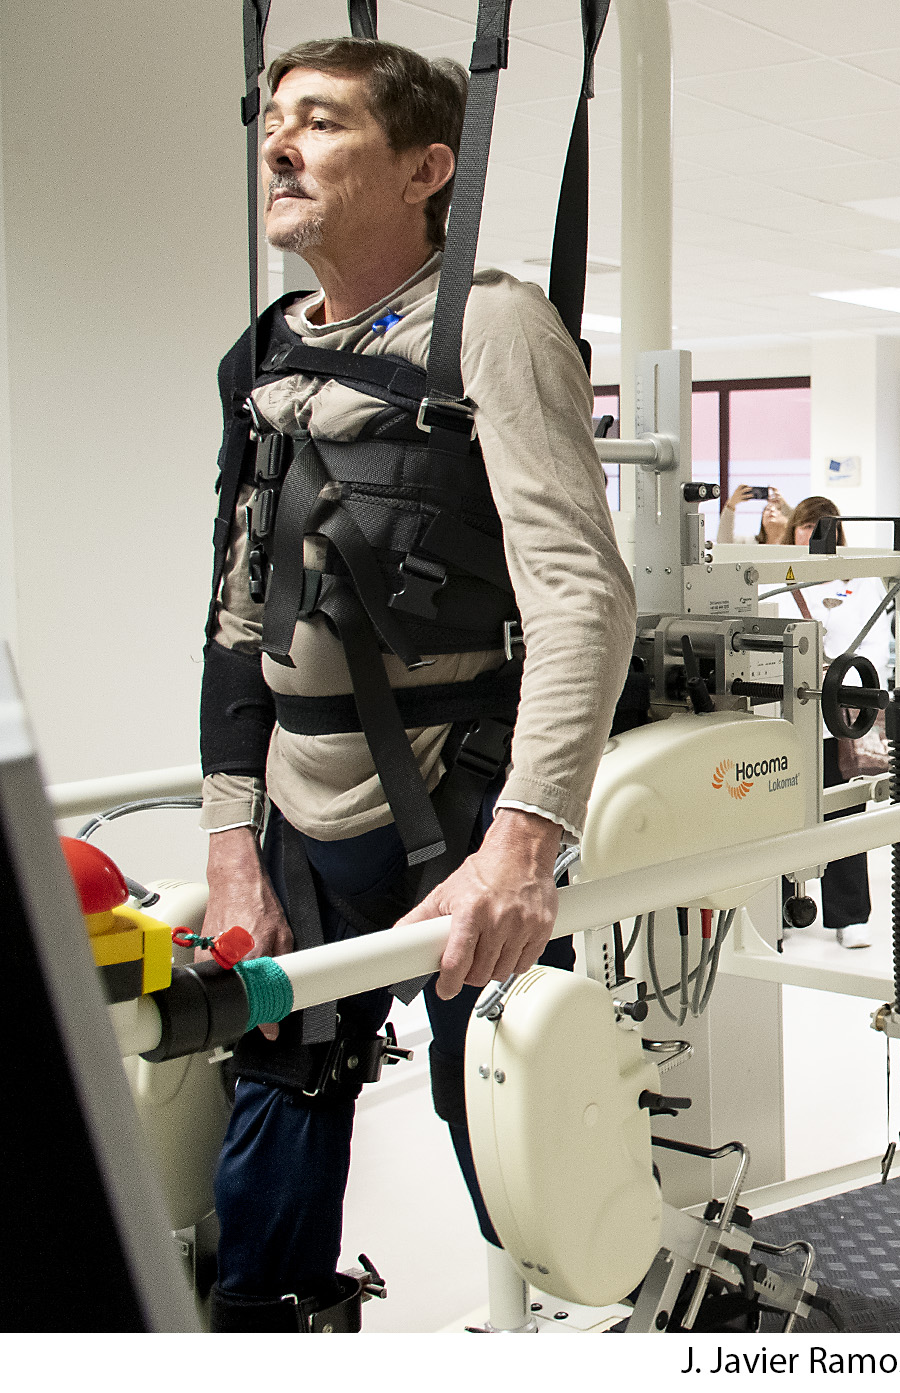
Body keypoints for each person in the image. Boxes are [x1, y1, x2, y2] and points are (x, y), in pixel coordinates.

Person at [197, 38, 636, 1329]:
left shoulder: (492, 326)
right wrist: (231, 844)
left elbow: (582, 596)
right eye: (274, 122)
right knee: (282, 1079)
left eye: (322, 123)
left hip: (461, 802)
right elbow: (233, 621)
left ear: (427, 169)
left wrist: (524, 847)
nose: (281, 147)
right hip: (302, 809)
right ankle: (267, 1330)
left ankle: (589, 1314)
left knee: (504, 1103)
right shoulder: (262, 357)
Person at [788, 496, 887, 948]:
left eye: (822, 527)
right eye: (805, 526)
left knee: (844, 814)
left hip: (838, 719)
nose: (812, 535)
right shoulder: (780, 578)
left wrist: (837, 677)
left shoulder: (861, 580)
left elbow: (871, 644)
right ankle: (783, 911)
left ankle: (850, 916)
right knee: (783, 817)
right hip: (789, 722)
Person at [716, 485, 792, 544]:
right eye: (767, 509)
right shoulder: (749, 543)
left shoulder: (794, 543)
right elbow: (724, 543)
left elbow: (797, 520)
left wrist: (784, 505)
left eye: (778, 509)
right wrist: (731, 504)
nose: (772, 510)